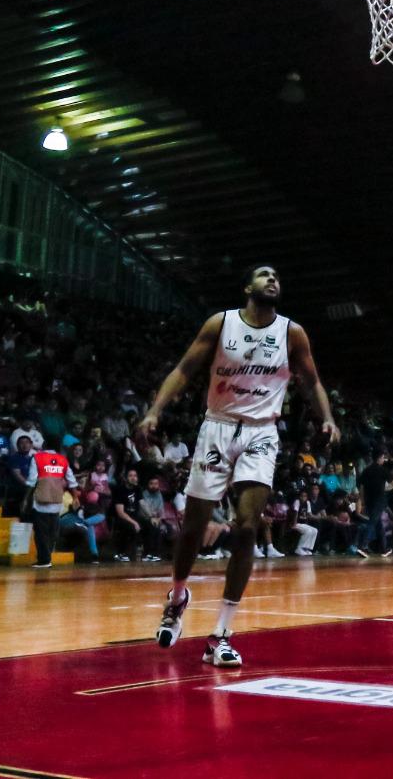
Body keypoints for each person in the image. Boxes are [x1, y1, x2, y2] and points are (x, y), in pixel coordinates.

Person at [145, 265, 338, 669]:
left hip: (262, 433)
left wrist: (327, 418)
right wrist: (154, 413)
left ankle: (220, 635)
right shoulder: (221, 323)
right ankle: (177, 596)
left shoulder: (292, 332)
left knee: (248, 525)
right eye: (265, 275)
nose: (273, 280)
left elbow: (312, 381)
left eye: (277, 277)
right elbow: (183, 370)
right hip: (217, 428)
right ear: (247, 287)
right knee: (194, 527)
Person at [27, 443, 76, 568]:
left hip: (40, 501)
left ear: (43, 444)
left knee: (40, 532)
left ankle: (44, 560)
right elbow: (72, 481)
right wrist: (75, 497)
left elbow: (32, 481)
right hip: (56, 500)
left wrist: (25, 498)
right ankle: (48, 556)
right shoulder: (63, 460)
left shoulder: (37, 457)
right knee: (52, 531)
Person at [350, 451, 393, 558]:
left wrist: (362, 498)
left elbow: (360, 484)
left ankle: (384, 548)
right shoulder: (382, 470)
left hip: (369, 500)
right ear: (379, 458)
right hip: (379, 500)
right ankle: (363, 546)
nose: (384, 460)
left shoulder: (366, 470)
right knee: (372, 522)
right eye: (383, 457)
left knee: (378, 523)